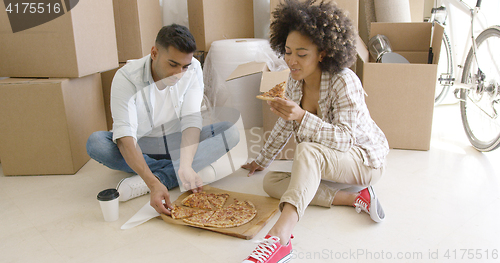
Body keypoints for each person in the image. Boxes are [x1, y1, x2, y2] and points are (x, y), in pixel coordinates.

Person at [241, 1, 389, 262]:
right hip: (329, 163)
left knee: (306, 150)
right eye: (287, 52)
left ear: (322, 53)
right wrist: (261, 161)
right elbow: (285, 124)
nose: (291, 61)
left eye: (301, 54)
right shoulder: (295, 82)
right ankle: (354, 198)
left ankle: (280, 236)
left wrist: (302, 116)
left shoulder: (345, 81)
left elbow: (345, 138)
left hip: (363, 160)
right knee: (271, 183)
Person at [86, 24, 240, 215]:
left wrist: (185, 164)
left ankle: (163, 176)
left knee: (230, 132)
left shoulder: (193, 70)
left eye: (185, 66)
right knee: (96, 143)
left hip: (175, 142)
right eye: (173, 64)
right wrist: (153, 184)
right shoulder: (126, 77)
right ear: (154, 53)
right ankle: (159, 178)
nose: (179, 73)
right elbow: (125, 137)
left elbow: (191, 122)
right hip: (141, 145)